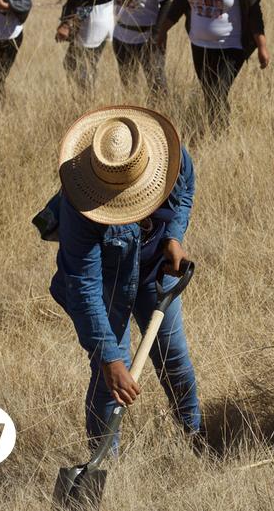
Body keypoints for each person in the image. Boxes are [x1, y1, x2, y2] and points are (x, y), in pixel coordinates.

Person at [50, 106, 204, 451]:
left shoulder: (169, 156)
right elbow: (83, 283)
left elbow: (185, 191)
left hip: (154, 275)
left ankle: (195, 441)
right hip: (108, 285)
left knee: (174, 360)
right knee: (111, 382)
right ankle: (103, 465)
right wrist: (110, 358)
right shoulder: (81, 204)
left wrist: (172, 238)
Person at [158, 0, 270, 129]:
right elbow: (179, 3)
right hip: (199, 45)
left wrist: (262, 46)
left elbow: (254, 11)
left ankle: (219, 134)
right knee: (209, 94)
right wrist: (162, 31)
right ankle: (214, 131)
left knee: (217, 92)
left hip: (231, 47)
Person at [104, 0, 173, 99]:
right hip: (121, 37)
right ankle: (133, 111)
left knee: (157, 83)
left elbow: (166, 3)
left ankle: (159, 113)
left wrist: (155, 34)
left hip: (148, 38)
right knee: (128, 83)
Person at [56, 0, 115, 93]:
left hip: (91, 27)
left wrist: (67, 26)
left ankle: (87, 96)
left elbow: (88, 5)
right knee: (87, 64)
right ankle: (87, 94)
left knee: (75, 64)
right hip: (103, 23)